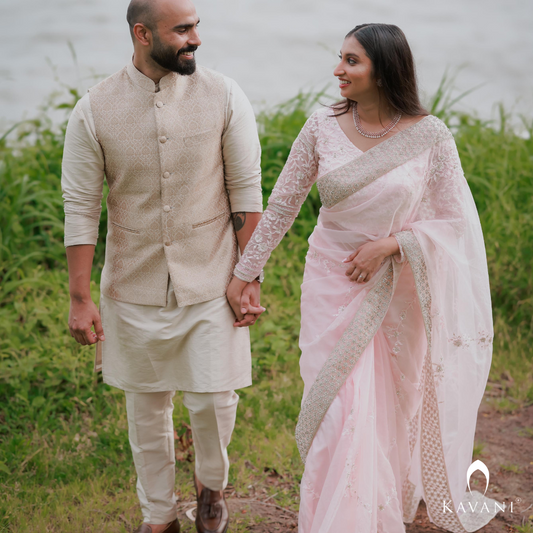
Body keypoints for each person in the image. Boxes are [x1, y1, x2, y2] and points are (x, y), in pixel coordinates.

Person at [227, 23, 493, 533]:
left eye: (352, 61)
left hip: (395, 289)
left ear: (384, 68)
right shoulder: (321, 126)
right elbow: (282, 205)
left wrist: (392, 245)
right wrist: (246, 271)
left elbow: (455, 222)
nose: (338, 70)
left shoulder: (429, 136)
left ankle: (372, 513)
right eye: (340, 58)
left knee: (389, 407)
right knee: (338, 411)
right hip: (331, 281)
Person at [61, 0, 265, 531]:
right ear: (142, 33)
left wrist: (250, 276)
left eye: (197, 26)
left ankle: (211, 488)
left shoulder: (224, 95)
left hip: (212, 276)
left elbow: (246, 192)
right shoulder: (93, 109)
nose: (196, 37)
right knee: (145, 411)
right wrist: (80, 298)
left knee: (213, 401)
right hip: (131, 283)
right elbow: (81, 207)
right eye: (183, 29)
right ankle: (158, 516)